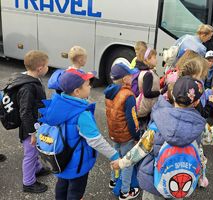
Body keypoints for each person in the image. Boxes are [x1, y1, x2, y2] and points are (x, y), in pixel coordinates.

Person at [111, 76, 208, 200]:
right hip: (179, 182)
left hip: (154, 181)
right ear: (196, 102)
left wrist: (121, 163)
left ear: (172, 95)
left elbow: (140, 149)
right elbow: (200, 151)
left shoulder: (158, 124)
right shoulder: (199, 127)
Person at [39, 69, 120, 199]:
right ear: (77, 91)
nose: (90, 86)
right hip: (77, 164)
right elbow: (96, 140)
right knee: (75, 192)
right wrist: (114, 155)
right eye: (88, 84)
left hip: (59, 158)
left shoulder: (56, 103)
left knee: (62, 184)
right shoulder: (82, 114)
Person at [11, 50, 51, 193]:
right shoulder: (27, 87)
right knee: (30, 153)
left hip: (34, 124)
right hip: (29, 128)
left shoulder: (31, 78)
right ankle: (28, 182)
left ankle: (38, 168)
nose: (48, 68)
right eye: (47, 65)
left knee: (35, 150)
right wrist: (33, 132)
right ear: (40, 68)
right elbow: (25, 112)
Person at [104, 62, 141, 199]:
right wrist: (137, 136)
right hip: (126, 136)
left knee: (115, 157)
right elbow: (133, 119)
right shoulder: (128, 95)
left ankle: (113, 180)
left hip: (114, 133)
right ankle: (125, 192)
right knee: (127, 162)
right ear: (125, 79)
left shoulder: (109, 92)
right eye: (131, 75)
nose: (133, 77)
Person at [136, 48, 160, 131]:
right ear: (148, 59)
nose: (156, 59)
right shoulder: (148, 74)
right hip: (145, 108)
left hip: (144, 106)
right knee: (143, 129)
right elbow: (147, 93)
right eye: (154, 57)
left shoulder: (146, 71)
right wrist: (159, 92)